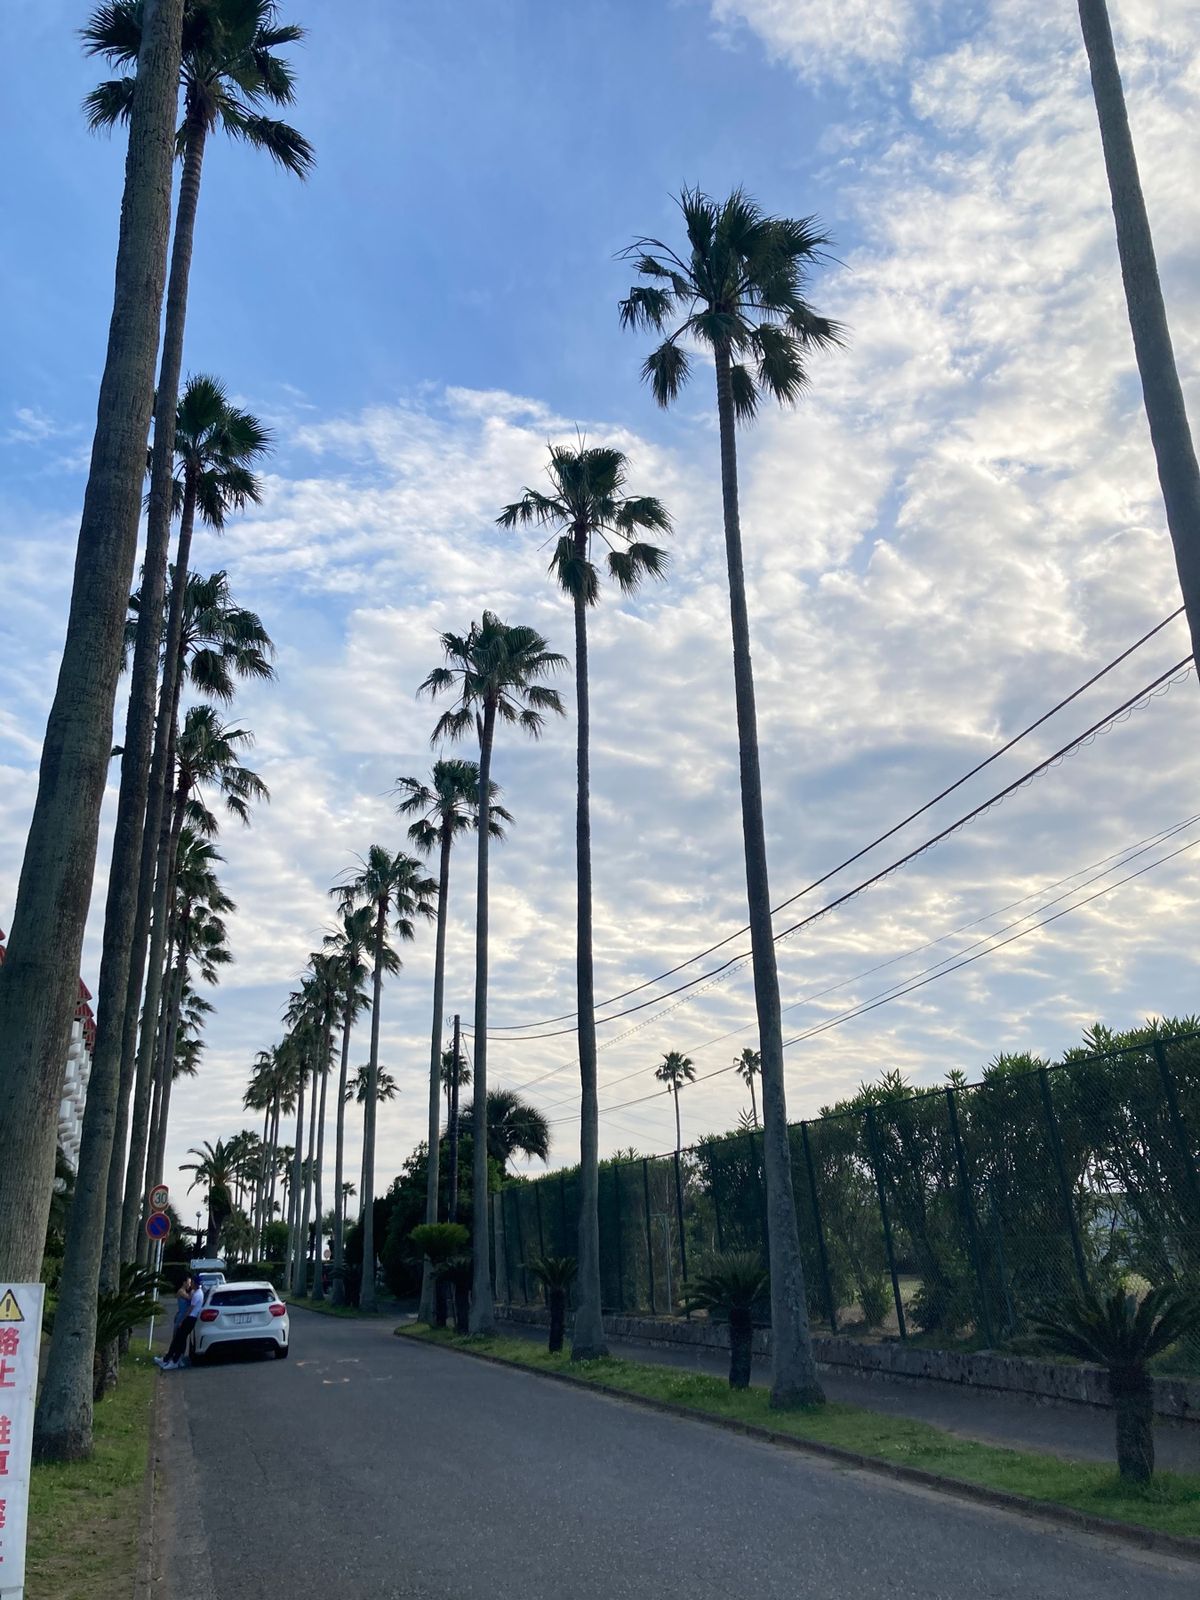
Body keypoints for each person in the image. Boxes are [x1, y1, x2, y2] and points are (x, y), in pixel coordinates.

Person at [157, 1275, 204, 1370]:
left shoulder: (197, 1294)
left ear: (195, 1283)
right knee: (179, 1339)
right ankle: (169, 1359)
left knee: (179, 1339)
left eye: (192, 1282)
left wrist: (182, 1321)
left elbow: (190, 1310)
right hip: (190, 1318)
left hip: (190, 1318)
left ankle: (174, 1360)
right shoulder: (197, 1293)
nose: (191, 1284)